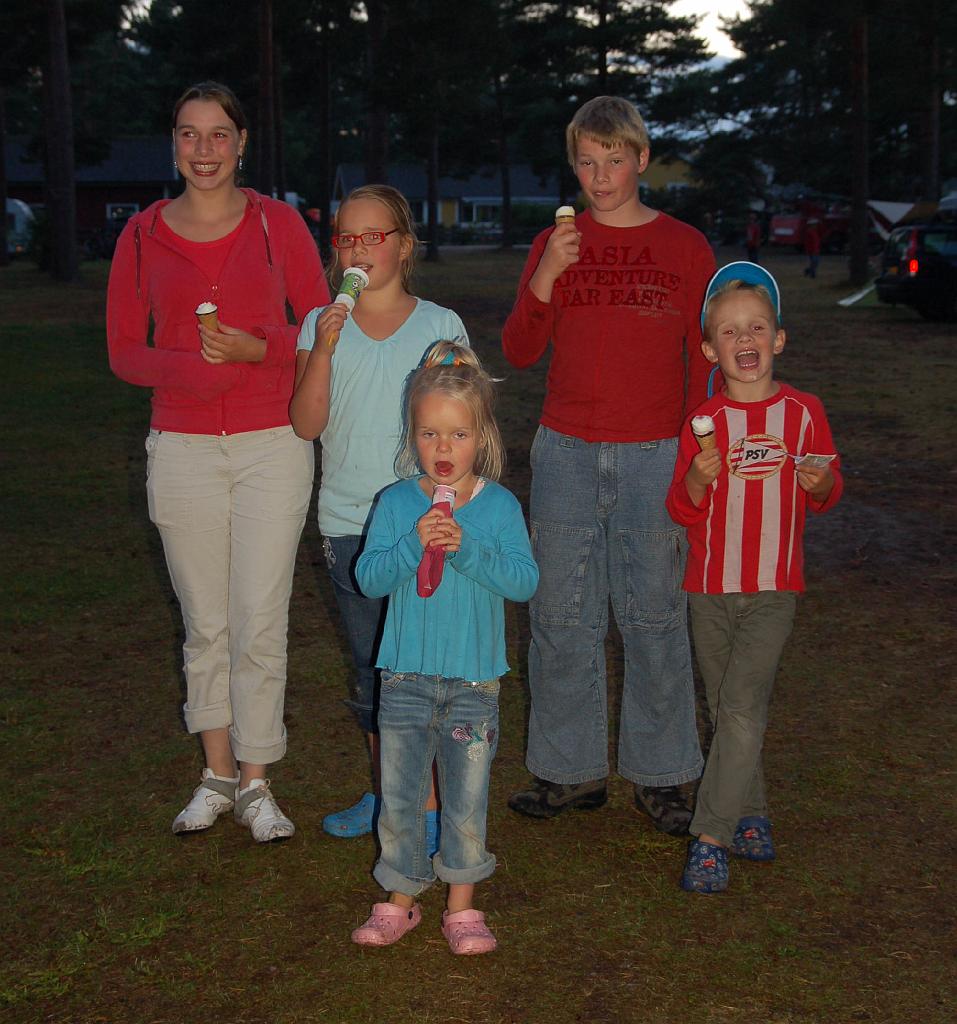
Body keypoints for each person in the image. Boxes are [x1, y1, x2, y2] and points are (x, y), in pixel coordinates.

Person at [106, 82, 329, 841]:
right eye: (188, 134)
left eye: (218, 135)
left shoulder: (279, 225)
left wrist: (258, 348)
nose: (203, 150)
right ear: (174, 143)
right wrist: (195, 369)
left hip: (273, 445)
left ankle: (260, 782)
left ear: (241, 143)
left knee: (259, 620)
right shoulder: (141, 234)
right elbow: (123, 351)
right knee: (205, 624)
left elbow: (319, 326)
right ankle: (217, 773)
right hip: (183, 448)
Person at [502, 95, 714, 833]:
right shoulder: (553, 242)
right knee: (560, 617)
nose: (600, 176)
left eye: (613, 160)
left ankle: (663, 776)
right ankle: (569, 771)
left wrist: (696, 450)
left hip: (656, 452)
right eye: (586, 163)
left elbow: (701, 359)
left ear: (642, 158)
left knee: (654, 617)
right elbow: (519, 350)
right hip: (564, 450)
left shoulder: (685, 248)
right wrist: (546, 277)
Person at [289, 185, 468, 844]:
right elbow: (306, 422)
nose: (360, 248)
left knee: (421, 668)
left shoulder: (439, 324)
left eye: (375, 235)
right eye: (347, 237)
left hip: (421, 522)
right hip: (348, 523)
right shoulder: (317, 323)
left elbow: (462, 423)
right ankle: (387, 794)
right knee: (371, 668)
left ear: (403, 245)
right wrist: (326, 350)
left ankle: (423, 808)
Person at [349, 341, 538, 953]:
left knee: (465, 798)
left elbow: (523, 580)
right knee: (399, 795)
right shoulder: (397, 502)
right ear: (412, 434)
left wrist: (471, 548)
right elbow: (368, 577)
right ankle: (400, 898)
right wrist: (411, 544)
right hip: (402, 679)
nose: (443, 449)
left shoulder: (501, 506)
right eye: (429, 433)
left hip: (473, 683)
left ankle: (462, 906)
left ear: (480, 435)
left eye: (457, 434)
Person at [666, 262, 843, 893]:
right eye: (731, 331)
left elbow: (826, 485)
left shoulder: (802, 413)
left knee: (740, 708)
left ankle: (710, 837)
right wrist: (696, 478)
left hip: (773, 587)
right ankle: (753, 813)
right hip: (708, 588)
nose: (747, 340)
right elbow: (681, 508)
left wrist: (821, 484)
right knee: (729, 709)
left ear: (778, 339)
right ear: (711, 347)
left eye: (758, 327)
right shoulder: (702, 422)